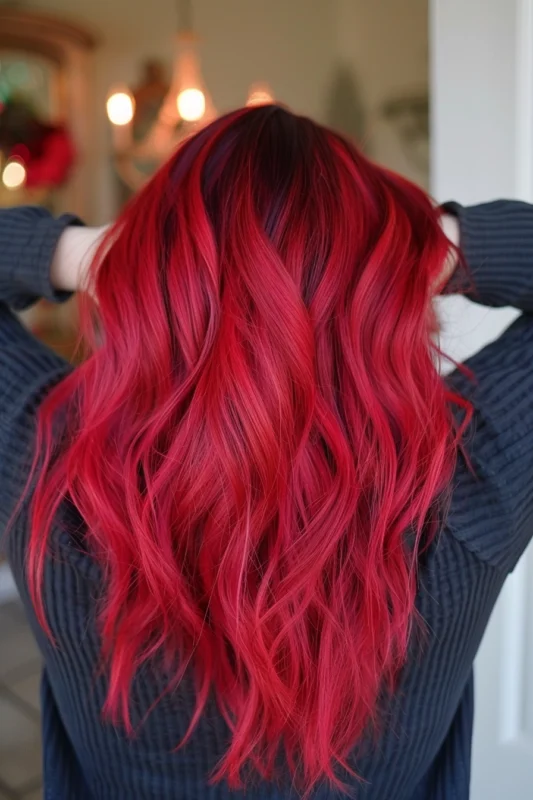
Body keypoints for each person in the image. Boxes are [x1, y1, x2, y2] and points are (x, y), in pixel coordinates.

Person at [1, 105, 532, 800]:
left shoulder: (47, 462)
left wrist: (95, 252)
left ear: (153, 283)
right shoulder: (469, 473)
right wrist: (413, 244)